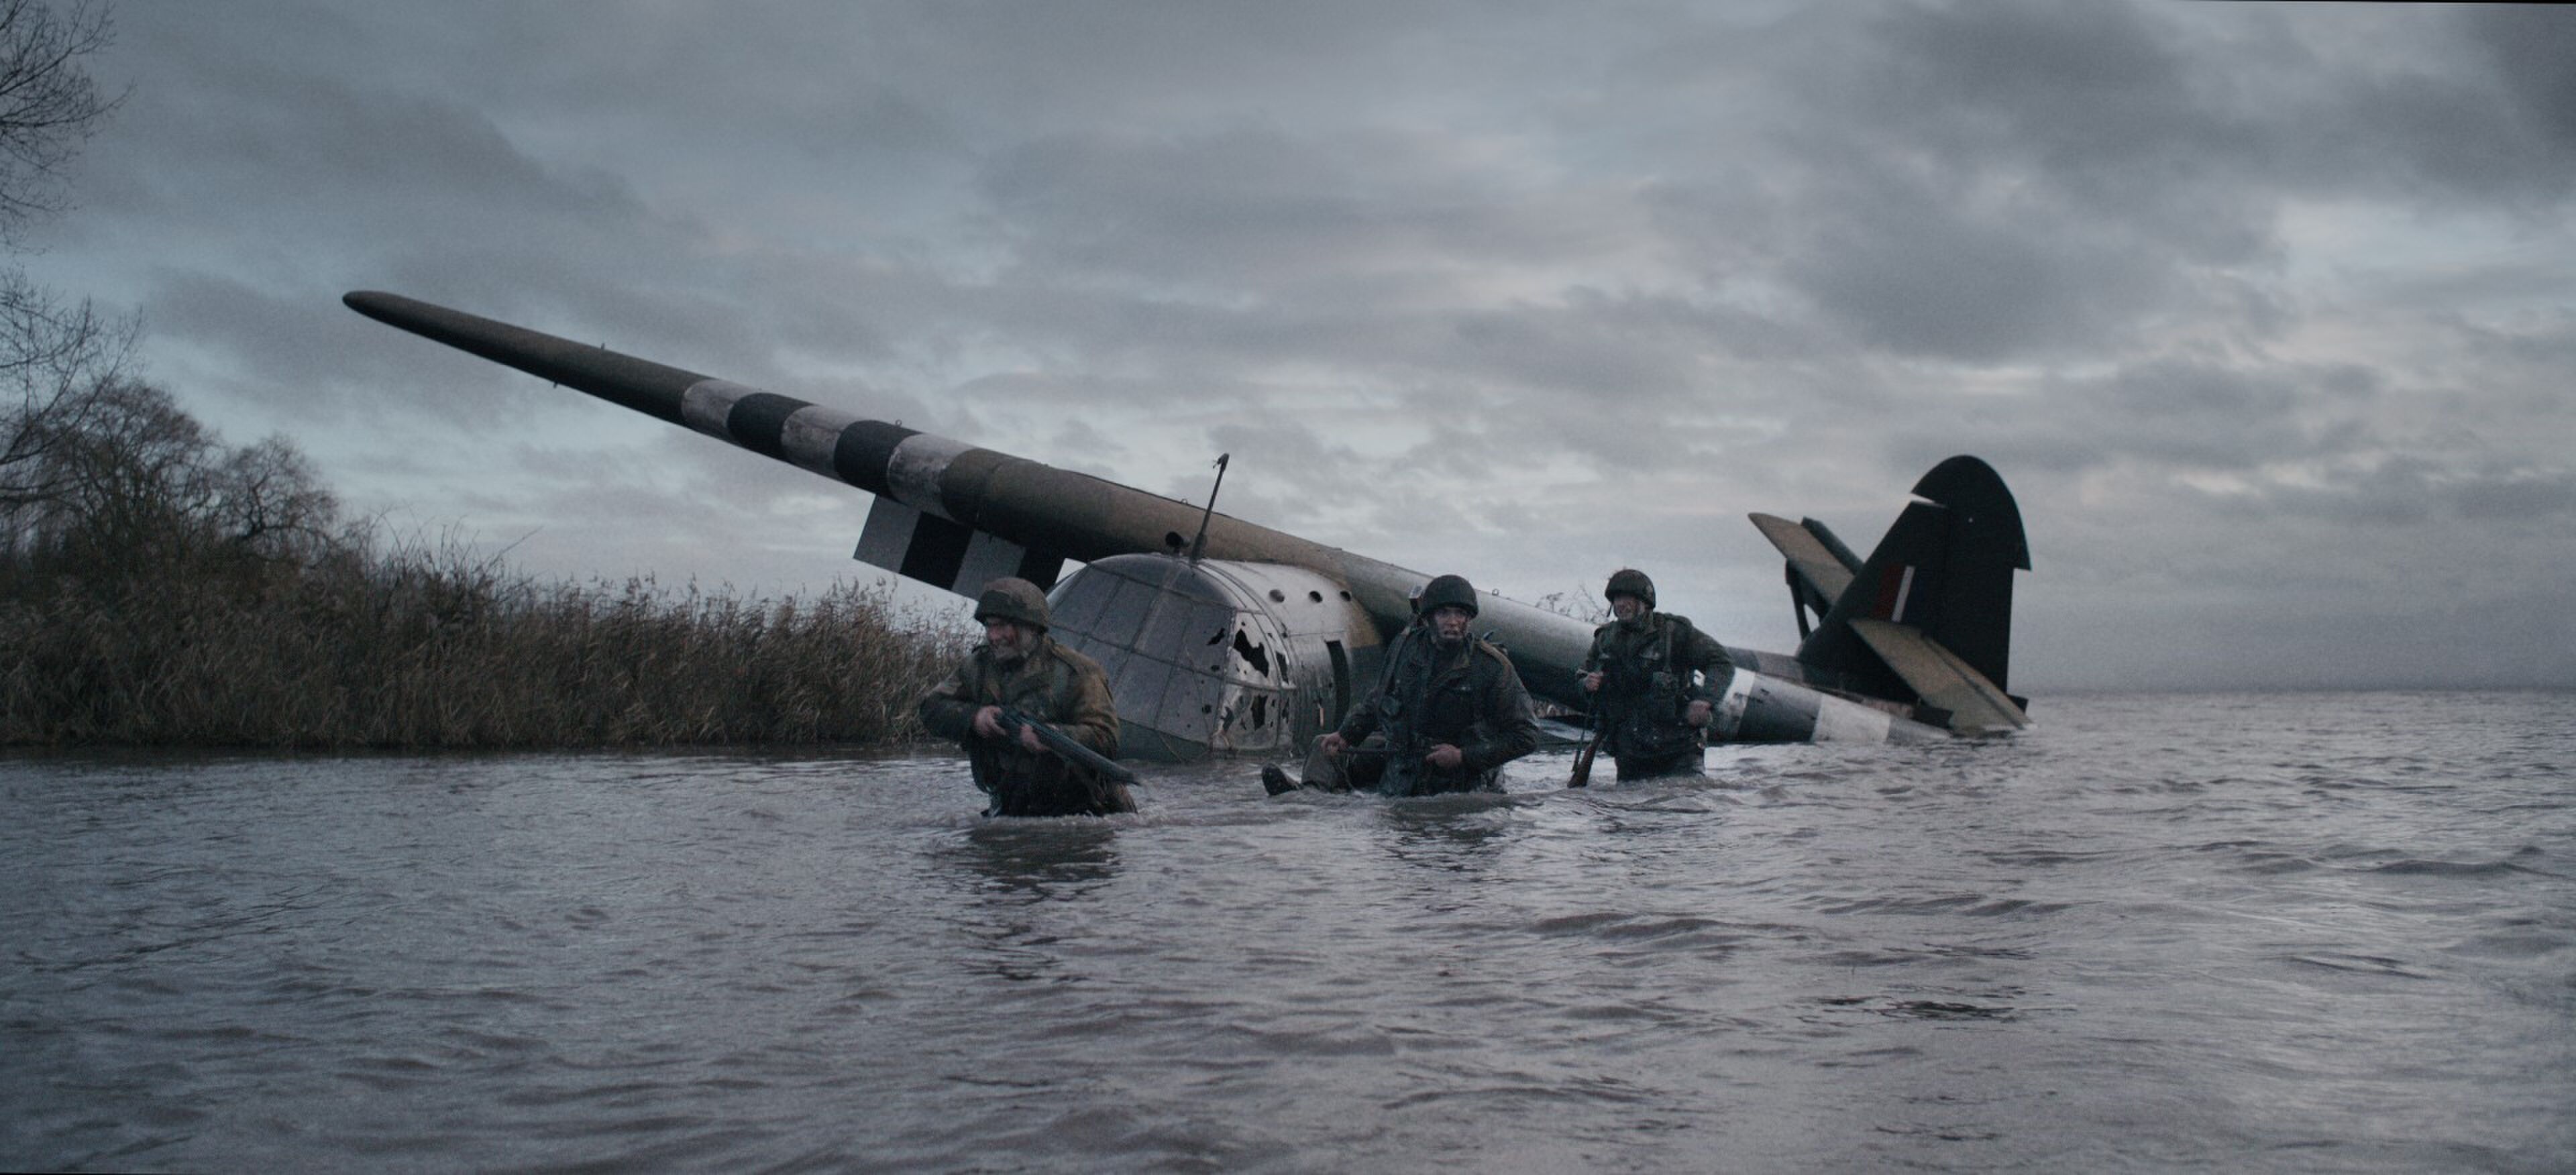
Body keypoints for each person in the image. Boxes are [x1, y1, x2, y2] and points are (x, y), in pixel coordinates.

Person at [1264, 573, 1540, 796]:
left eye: (1460, 614)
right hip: (1403, 764)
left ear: (1469, 618)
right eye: (1445, 613)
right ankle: (1309, 799)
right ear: (1430, 617)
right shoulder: (1406, 648)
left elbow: (1526, 736)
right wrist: (1348, 734)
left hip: (1462, 778)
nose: (1453, 621)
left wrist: (1463, 756)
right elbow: (1379, 699)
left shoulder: (1490, 667)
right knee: (1324, 746)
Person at [918, 577, 1135, 816]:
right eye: (989, 626)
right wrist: (975, 718)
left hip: (1084, 811)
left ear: (1029, 627)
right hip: (1010, 809)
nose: (993, 636)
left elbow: (1107, 739)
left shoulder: (1076, 672)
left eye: (1001, 626)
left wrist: (1053, 736)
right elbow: (931, 708)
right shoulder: (978, 667)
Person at [1578, 568, 1735, 781]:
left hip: (1679, 749)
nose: (1621, 604)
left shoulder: (1674, 633)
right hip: (1630, 752)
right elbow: (1583, 677)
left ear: (1645, 602)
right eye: (1616, 599)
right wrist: (1587, 684)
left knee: (1685, 804)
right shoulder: (1605, 640)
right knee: (1628, 809)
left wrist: (1706, 701)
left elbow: (1721, 662)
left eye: (1627, 599)